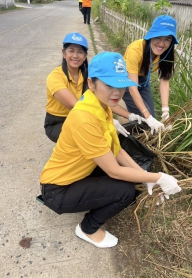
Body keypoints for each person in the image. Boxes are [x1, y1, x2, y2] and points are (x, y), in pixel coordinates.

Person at [40, 51, 182, 248]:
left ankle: (91, 200)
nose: (117, 93)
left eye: (121, 86)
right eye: (109, 85)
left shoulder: (101, 105)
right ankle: (88, 228)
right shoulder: (85, 117)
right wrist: (158, 178)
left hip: (76, 176)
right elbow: (113, 170)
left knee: (130, 177)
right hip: (58, 190)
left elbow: (117, 151)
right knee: (125, 189)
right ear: (91, 83)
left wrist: (143, 175)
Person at [44, 32, 143, 143]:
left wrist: (130, 115)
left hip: (80, 117)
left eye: (80, 52)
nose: (75, 55)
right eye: (71, 51)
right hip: (59, 122)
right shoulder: (55, 77)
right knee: (92, 134)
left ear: (85, 56)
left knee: (98, 134)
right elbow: (75, 105)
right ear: (64, 53)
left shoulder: (86, 76)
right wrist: (106, 122)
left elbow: (103, 100)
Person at [122, 15, 179, 134]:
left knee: (151, 116)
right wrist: (148, 118)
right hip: (126, 82)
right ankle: (136, 143)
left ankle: (144, 141)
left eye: (167, 39)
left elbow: (164, 81)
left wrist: (165, 111)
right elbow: (132, 88)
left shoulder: (166, 53)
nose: (161, 43)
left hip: (143, 82)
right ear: (151, 36)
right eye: (158, 37)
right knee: (144, 120)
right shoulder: (136, 50)